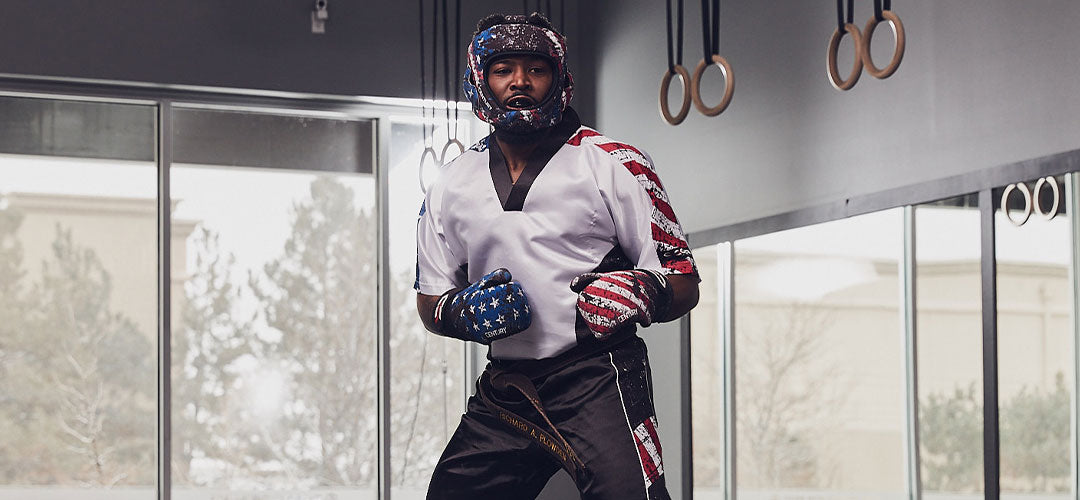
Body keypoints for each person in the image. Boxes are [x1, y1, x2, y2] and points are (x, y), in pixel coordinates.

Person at [414, 12, 699, 500]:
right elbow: (430, 300)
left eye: (535, 69)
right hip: (507, 386)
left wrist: (642, 289)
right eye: (503, 69)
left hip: (599, 376)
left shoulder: (617, 163)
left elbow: (683, 280)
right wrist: (459, 312)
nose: (519, 81)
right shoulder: (450, 184)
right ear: (480, 79)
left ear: (559, 79)